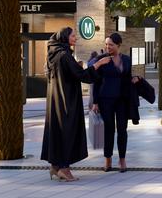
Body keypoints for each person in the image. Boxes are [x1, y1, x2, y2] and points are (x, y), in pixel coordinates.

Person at [41, 27, 111, 182]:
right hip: (67, 101)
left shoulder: (53, 54)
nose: (75, 38)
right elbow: (82, 75)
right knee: (68, 132)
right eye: (73, 36)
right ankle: (65, 169)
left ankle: (55, 166)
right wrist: (98, 64)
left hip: (55, 102)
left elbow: (66, 74)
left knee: (58, 132)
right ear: (65, 37)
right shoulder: (65, 55)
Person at [92, 32, 137, 172]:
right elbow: (96, 82)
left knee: (122, 130)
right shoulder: (102, 59)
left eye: (110, 45)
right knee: (109, 129)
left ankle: (122, 160)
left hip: (122, 100)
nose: (107, 47)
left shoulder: (127, 60)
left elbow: (127, 77)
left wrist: (134, 80)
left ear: (118, 45)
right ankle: (108, 160)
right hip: (106, 100)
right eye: (106, 44)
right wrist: (95, 102)